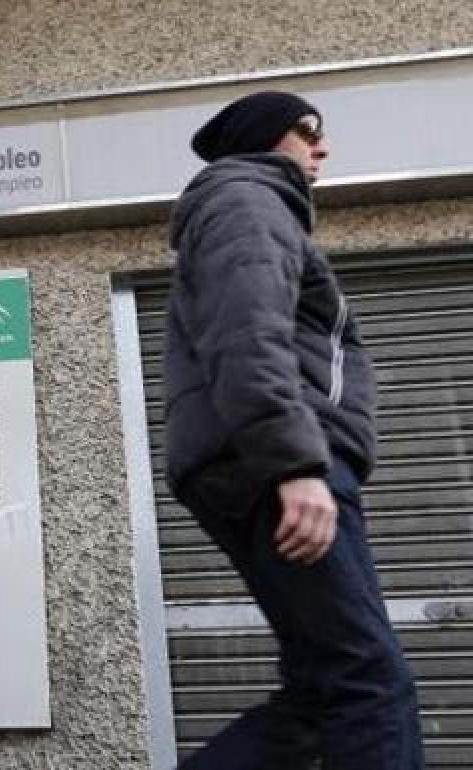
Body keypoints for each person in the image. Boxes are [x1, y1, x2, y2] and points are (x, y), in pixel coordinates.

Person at [164, 91, 424, 769]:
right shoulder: (247, 203)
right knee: (369, 681)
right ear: (264, 138)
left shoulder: (247, 208)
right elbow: (246, 334)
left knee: (319, 693)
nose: (322, 146)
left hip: (255, 458)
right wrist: (296, 465)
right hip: (278, 460)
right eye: (307, 130)